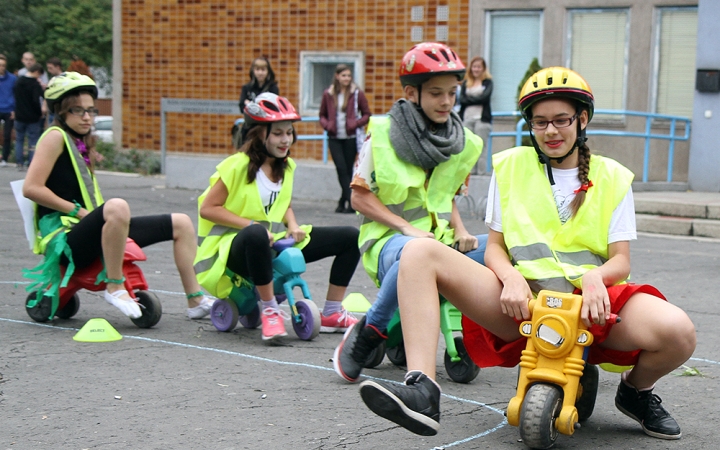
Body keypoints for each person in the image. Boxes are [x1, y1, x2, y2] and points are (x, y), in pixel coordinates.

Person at [357, 67, 696, 439]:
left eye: (561, 120)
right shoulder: (512, 167)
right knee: (420, 252)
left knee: (679, 332)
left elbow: (621, 259)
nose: (551, 131)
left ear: (581, 120)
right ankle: (423, 390)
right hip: (525, 304)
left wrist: (597, 277)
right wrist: (511, 277)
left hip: (591, 306)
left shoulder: (613, 176)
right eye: (540, 123)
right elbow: (497, 249)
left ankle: (635, 392)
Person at [333, 43, 487, 383]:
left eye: (451, 92)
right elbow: (358, 199)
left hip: (440, 241)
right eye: (436, 93)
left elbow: (446, 197)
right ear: (411, 93)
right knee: (415, 252)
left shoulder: (462, 141)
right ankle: (371, 328)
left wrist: (460, 230)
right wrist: (406, 228)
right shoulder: (383, 134)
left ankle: (497, 335)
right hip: (388, 244)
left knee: (504, 247)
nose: (446, 102)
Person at [22, 72, 214, 320]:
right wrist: (78, 212)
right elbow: (31, 188)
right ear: (60, 111)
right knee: (117, 207)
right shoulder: (55, 137)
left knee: (181, 222)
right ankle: (114, 286)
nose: (87, 117)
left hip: (88, 231)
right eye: (78, 111)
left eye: (91, 110)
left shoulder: (79, 140)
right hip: (66, 241)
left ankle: (195, 300)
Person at [195, 92, 361, 341]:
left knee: (350, 237)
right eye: (278, 133)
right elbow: (208, 208)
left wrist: (292, 224)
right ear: (259, 133)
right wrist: (250, 225)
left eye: (289, 132)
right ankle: (270, 309)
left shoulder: (287, 166)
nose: (286, 140)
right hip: (233, 249)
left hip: (273, 242)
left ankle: (332, 312)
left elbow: (283, 205)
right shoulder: (236, 165)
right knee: (255, 233)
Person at [318, 64, 371, 213]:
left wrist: (355, 123)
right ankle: (351, 200)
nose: (347, 78)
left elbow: (367, 114)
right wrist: (327, 125)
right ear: (337, 76)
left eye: (349, 75)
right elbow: (322, 115)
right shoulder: (328, 94)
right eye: (343, 75)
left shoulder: (356, 94)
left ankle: (343, 202)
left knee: (348, 170)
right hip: (334, 137)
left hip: (351, 137)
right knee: (341, 169)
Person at [235, 57, 280, 148]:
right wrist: (258, 106)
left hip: (266, 127)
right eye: (257, 69)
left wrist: (251, 104)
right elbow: (241, 106)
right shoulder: (247, 88)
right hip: (249, 127)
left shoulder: (273, 88)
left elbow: (273, 107)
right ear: (253, 71)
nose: (260, 73)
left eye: (263, 69)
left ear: (268, 71)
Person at [458, 56, 493, 174]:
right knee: (468, 147)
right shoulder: (466, 83)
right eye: (474, 67)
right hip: (467, 119)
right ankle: (469, 173)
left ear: (483, 69)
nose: (476, 69)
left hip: (482, 120)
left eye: (479, 67)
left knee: (481, 147)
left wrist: (470, 99)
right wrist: (476, 98)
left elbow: (485, 98)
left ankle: (481, 173)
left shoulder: (488, 82)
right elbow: (461, 99)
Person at [13, 63, 46, 170]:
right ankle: (31, 162)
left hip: (19, 115)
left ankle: (19, 162)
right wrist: (39, 112)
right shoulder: (34, 85)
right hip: (32, 117)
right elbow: (36, 100)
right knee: (33, 141)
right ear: (36, 72)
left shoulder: (18, 82)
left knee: (19, 140)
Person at [0, 54, 16, 167]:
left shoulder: (12, 79)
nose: (1, 67)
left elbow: (16, 95)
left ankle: (4, 158)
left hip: (8, 109)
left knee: (7, 135)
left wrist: (14, 109)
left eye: (3, 65)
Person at [45, 57, 64, 125]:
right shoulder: (52, 78)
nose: (49, 70)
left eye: (51, 68)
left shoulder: (64, 79)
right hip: (52, 110)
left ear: (58, 67)